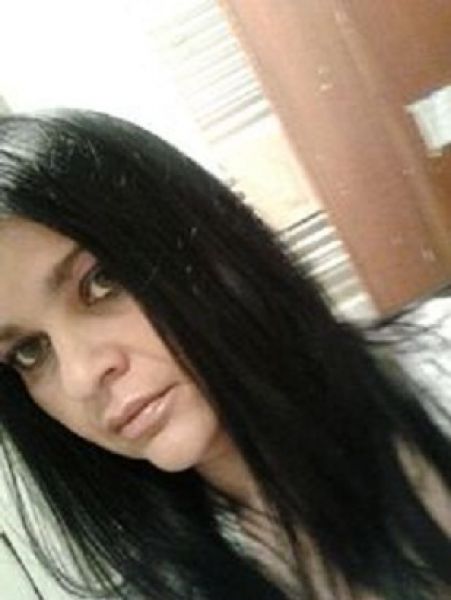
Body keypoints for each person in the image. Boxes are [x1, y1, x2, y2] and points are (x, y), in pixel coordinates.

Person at [0, 109, 450, 600]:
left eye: (102, 281)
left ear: (205, 245)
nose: (80, 377)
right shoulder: (170, 586)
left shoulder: (438, 368)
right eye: (29, 351)